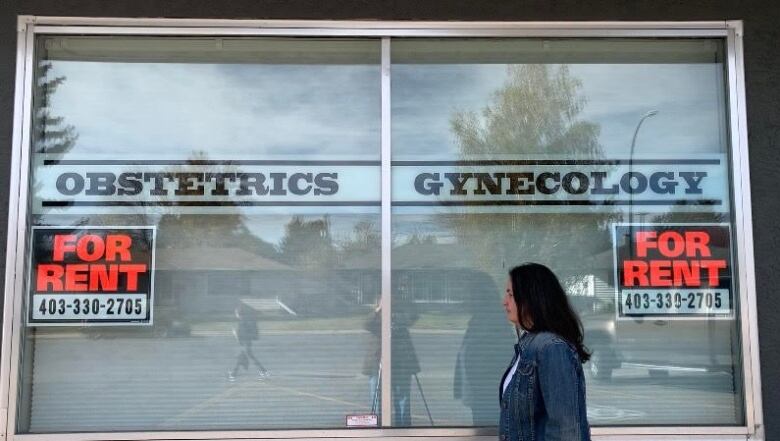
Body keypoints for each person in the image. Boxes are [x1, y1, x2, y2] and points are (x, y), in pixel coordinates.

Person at [499, 263, 591, 441]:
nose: (504, 301)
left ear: (531, 297)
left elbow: (566, 429)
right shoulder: (529, 344)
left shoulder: (551, 348)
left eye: (511, 294)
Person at [228, 303, 269, 381]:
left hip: (245, 343)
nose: (235, 314)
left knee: (244, 358)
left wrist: (235, 333)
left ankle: (233, 375)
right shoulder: (245, 321)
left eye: (236, 313)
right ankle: (233, 374)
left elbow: (240, 337)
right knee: (244, 358)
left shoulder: (241, 322)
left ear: (238, 313)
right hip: (247, 342)